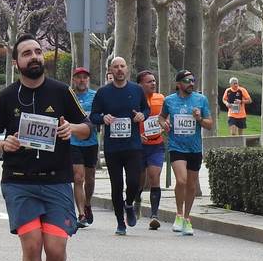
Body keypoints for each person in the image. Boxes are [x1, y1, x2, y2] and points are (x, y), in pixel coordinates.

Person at [0, 35, 91, 261]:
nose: (34, 57)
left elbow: (87, 126)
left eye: (38, 52)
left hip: (56, 182)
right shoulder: (6, 97)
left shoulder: (60, 91)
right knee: (32, 246)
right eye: (27, 53)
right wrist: (4, 144)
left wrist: (71, 128)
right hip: (19, 182)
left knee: (55, 250)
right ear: (17, 62)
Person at [90, 56, 149, 236]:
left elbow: (146, 109)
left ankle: (129, 204)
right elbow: (93, 116)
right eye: (116, 67)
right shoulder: (103, 92)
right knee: (116, 185)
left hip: (133, 145)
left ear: (127, 69)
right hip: (112, 147)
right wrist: (103, 118)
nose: (119, 70)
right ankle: (119, 222)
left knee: (133, 181)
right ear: (111, 70)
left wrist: (142, 115)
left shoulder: (137, 90)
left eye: (122, 66)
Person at [160, 69, 213, 235]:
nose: (191, 83)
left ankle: (187, 219)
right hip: (176, 146)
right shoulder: (169, 101)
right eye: (187, 81)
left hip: (195, 148)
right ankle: (178, 214)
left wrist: (199, 119)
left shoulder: (201, 99)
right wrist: (164, 124)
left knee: (191, 184)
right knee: (181, 181)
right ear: (178, 84)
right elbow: (161, 117)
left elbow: (209, 124)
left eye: (193, 80)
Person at [136, 70, 166, 229]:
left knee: (154, 176)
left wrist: (164, 124)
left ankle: (154, 215)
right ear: (140, 84)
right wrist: (136, 135)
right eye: (149, 81)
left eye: (154, 81)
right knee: (140, 179)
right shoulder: (134, 99)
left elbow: (165, 116)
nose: (153, 84)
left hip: (156, 144)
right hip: (138, 146)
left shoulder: (161, 98)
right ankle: (137, 199)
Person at [69, 67, 98, 227]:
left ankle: (87, 203)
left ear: (88, 80)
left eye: (84, 77)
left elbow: (99, 115)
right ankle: (81, 214)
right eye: (78, 77)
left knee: (90, 178)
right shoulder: (69, 96)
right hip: (73, 143)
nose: (81, 80)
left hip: (91, 142)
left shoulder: (95, 96)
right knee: (78, 177)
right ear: (74, 79)